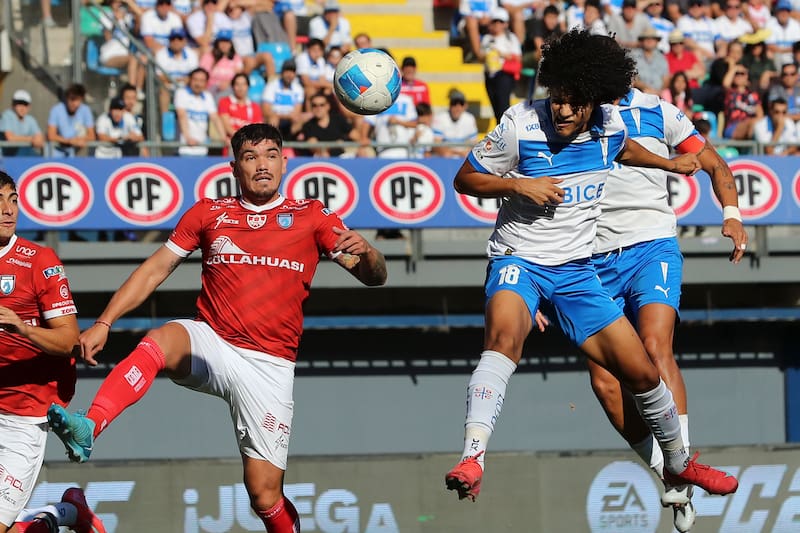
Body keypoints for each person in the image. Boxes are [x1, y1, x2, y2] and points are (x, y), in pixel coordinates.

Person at [443, 29, 739, 505]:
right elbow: (464, 178)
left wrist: (669, 165)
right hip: (520, 260)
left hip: (577, 272)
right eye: (556, 99)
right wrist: (517, 187)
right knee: (502, 341)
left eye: (573, 103)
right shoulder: (520, 124)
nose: (562, 110)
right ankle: (473, 457)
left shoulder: (608, 127)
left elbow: (625, 149)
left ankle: (681, 466)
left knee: (643, 374)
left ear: (594, 100)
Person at [46, 123, 387, 533]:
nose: (262, 165)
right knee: (160, 340)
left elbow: (374, 277)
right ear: (234, 167)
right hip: (213, 340)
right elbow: (157, 268)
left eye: (271, 155)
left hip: (269, 366)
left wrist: (369, 253)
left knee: (263, 494)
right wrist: (104, 321)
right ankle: (90, 425)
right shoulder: (210, 212)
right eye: (251, 157)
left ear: (284, 162)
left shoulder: (311, 216)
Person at [586, 87, 747, 533]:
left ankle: (684, 461)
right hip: (589, 255)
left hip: (651, 243)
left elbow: (712, 161)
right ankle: (667, 471)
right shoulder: (571, 111)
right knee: (605, 381)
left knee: (656, 349)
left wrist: (731, 212)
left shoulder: (660, 110)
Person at [0, 171, 107, 533]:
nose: (7, 209)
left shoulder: (38, 260)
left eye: (12, 199)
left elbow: (67, 341)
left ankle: (64, 513)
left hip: (23, 415)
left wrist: (20, 326)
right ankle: (69, 511)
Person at [480, 7, 522, 124]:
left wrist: (500, 53)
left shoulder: (511, 38)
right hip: (490, 74)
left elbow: (517, 57)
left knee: (503, 105)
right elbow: (481, 56)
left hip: (504, 74)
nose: (497, 25)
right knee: (495, 106)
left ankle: (505, 131)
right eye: (495, 22)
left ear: (505, 24)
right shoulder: (487, 39)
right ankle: (501, 131)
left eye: (501, 22)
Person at [174, 67, 226, 156]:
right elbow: (181, 115)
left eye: (202, 81)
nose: (198, 84)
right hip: (184, 148)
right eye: (195, 80)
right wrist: (188, 138)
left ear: (206, 83)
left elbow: (215, 118)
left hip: (202, 149)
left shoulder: (207, 96)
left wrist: (223, 137)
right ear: (190, 80)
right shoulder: (181, 93)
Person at [46, 83, 96, 158]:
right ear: (67, 98)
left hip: (73, 153)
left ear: (82, 99)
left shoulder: (86, 110)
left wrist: (80, 139)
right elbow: (51, 135)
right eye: (72, 99)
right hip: (55, 152)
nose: (74, 104)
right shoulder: (56, 110)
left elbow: (92, 136)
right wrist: (69, 141)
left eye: (78, 100)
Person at [261, 59, 305, 140]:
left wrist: (288, 116)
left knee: (303, 119)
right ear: (282, 72)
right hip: (275, 119)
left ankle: (289, 142)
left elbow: (297, 112)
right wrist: (285, 116)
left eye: (292, 72)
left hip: (290, 121)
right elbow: (266, 111)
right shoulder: (271, 86)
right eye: (287, 71)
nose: (289, 75)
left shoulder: (298, 88)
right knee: (273, 120)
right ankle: (274, 142)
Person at [431, 88, 479, 158]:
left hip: (462, 157)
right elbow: (436, 145)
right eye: (454, 103)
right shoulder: (440, 118)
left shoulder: (470, 119)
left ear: (465, 106)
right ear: (449, 105)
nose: (457, 107)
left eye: (461, 104)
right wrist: (458, 153)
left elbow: (474, 143)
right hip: (445, 158)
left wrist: (463, 153)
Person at [199, 29, 245, 98]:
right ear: (217, 43)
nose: (224, 45)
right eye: (222, 42)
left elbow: (239, 76)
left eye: (227, 42)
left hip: (230, 89)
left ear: (231, 44)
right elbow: (203, 76)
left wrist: (228, 83)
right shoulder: (208, 57)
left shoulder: (236, 58)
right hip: (212, 89)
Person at [0, 90, 45, 156]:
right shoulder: (7, 115)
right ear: (13, 105)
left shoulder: (30, 119)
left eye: (25, 104)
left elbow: (40, 137)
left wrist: (38, 139)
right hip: (5, 158)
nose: (22, 107)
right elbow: (10, 138)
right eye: (19, 103)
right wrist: (32, 139)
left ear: (29, 107)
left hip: (21, 156)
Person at [632, 27, 670, 94]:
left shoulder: (662, 58)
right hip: (640, 93)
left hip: (659, 94)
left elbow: (666, 79)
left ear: (656, 42)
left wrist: (660, 92)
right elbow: (634, 79)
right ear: (642, 41)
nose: (649, 41)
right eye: (646, 38)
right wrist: (645, 88)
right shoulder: (634, 56)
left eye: (652, 38)